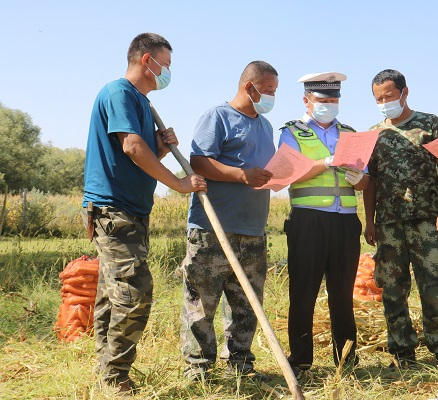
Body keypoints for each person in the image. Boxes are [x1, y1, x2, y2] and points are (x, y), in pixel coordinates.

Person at [82, 33, 206, 393]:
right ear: (147, 60)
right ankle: (116, 376)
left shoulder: (139, 100)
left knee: (112, 292)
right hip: (113, 208)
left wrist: (161, 145)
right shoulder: (119, 92)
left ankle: (106, 370)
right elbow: (132, 146)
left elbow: (139, 153)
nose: (167, 71)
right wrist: (180, 184)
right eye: (165, 64)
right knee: (135, 291)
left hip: (131, 209)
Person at [180, 60, 278, 382]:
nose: (271, 97)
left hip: (253, 231)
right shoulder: (217, 117)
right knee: (202, 304)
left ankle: (241, 367)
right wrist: (241, 175)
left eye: (274, 92)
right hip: (213, 229)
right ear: (249, 88)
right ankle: (198, 370)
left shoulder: (265, 126)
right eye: (268, 91)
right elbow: (198, 161)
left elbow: (261, 171)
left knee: (247, 305)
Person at [363, 69, 438, 374]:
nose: (384, 102)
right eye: (379, 98)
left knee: (435, 288)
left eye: (389, 96)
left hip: (427, 222)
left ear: (405, 93)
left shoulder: (430, 123)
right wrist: (369, 221)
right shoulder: (374, 132)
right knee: (392, 290)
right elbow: (370, 181)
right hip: (389, 224)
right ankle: (402, 352)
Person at [279, 72, 369, 378]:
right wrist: (325, 163)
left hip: (345, 222)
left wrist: (360, 179)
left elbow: (365, 179)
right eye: (322, 100)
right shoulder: (292, 132)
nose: (329, 105)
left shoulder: (351, 133)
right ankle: (301, 360)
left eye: (333, 100)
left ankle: (345, 360)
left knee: (342, 294)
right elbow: (287, 173)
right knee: (303, 293)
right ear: (307, 100)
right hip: (308, 220)